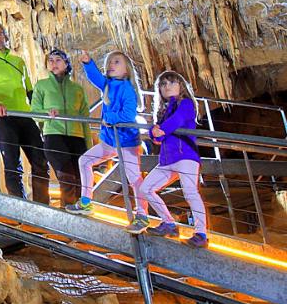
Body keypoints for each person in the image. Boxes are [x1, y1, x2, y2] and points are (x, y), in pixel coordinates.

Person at [66, 50, 149, 233]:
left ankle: (142, 215)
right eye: (109, 61)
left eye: (116, 62)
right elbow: (96, 78)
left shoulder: (127, 89)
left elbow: (128, 115)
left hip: (126, 142)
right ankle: (86, 201)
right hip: (110, 140)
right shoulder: (108, 85)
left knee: (134, 178)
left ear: (126, 69)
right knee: (85, 161)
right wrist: (88, 62)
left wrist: (109, 117)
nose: (111, 64)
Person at [0, 21, 50, 204]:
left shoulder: (19, 61)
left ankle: (42, 205)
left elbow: (30, 90)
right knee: (12, 164)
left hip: (24, 115)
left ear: (5, 35)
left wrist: (41, 113)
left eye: (0, 34)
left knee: (40, 160)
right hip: (3, 118)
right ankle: (20, 205)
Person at [143, 71, 209, 248]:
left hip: (186, 156)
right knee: (145, 188)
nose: (167, 86)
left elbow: (178, 121)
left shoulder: (186, 104)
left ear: (181, 86)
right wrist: (155, 133)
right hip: (167, 160)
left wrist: (161, 130)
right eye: (163, 84)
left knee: (190, 192)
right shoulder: (164, 111)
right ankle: (169, 223)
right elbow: (156, 132)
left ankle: (201, 233)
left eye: (172, 82)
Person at [30, 49, 91, 206]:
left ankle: (78, 215)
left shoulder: (77, 89)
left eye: (58, 60)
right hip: (54, 135)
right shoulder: (41, 86)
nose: (53, 63)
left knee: (79, 180)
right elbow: (35, 113)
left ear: (66, 63)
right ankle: (68, 216)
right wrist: (46, 113)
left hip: (77, 137)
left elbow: (85, 119)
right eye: (50, 60)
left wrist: (88, 146)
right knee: (67, 178)